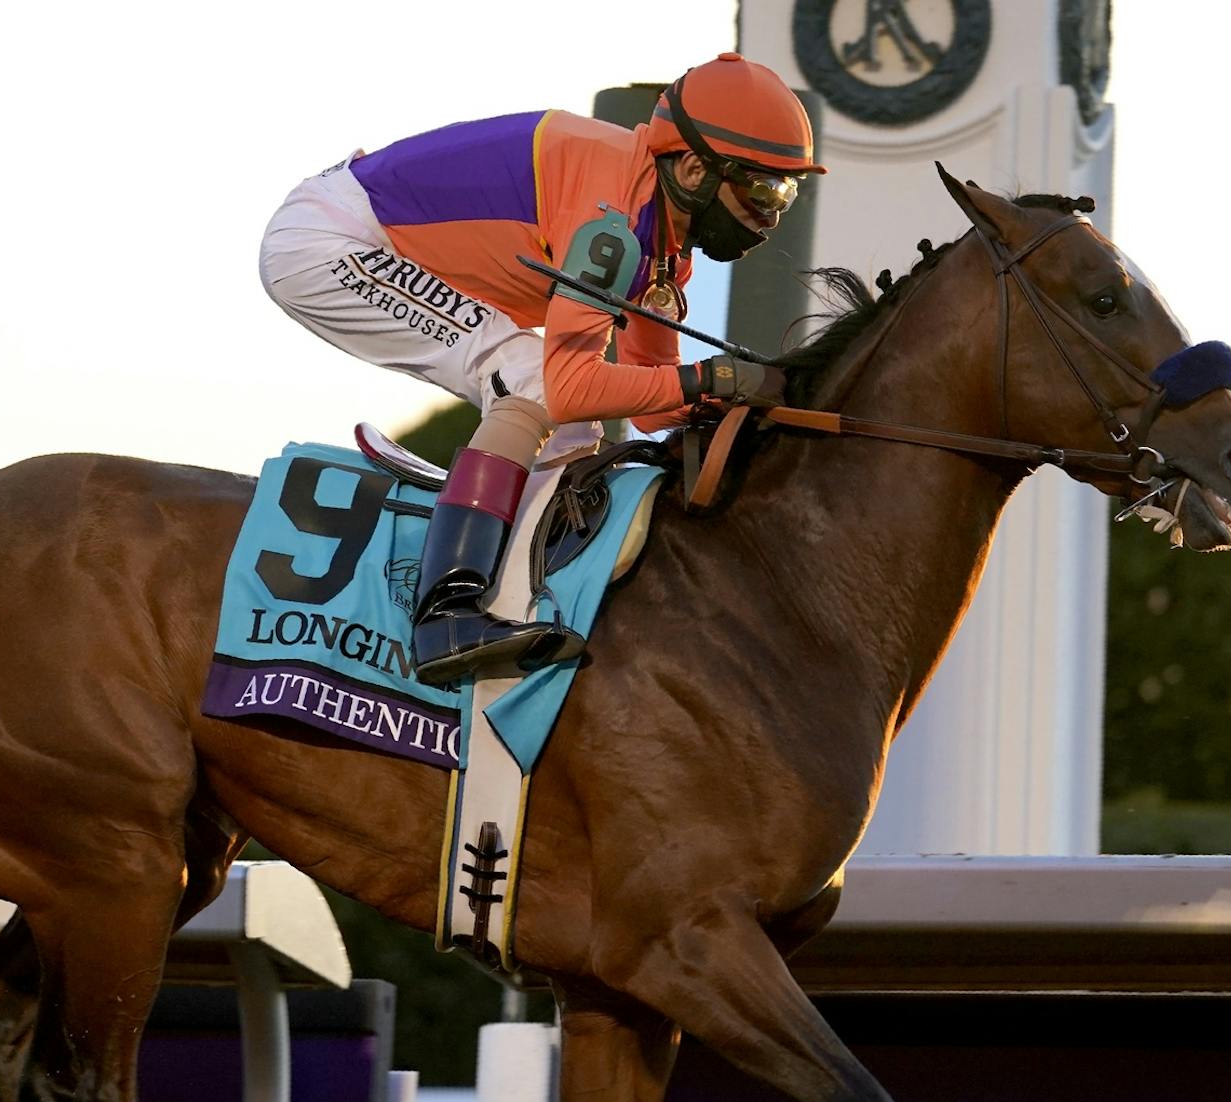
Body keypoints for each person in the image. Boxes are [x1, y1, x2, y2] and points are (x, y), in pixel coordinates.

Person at [258, 52, 821, 685]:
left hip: (359, 234)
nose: (772, 215)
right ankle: (446, 612)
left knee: (575, 428)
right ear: (693, 168)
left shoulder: (662, 244)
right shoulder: (613, 220)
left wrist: (745, 400)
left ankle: (521, 596)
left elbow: (649, 407)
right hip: (329, 242)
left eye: (788, 194)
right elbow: (572, 386)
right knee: (532, 381)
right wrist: (711, 379)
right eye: (762, 188)